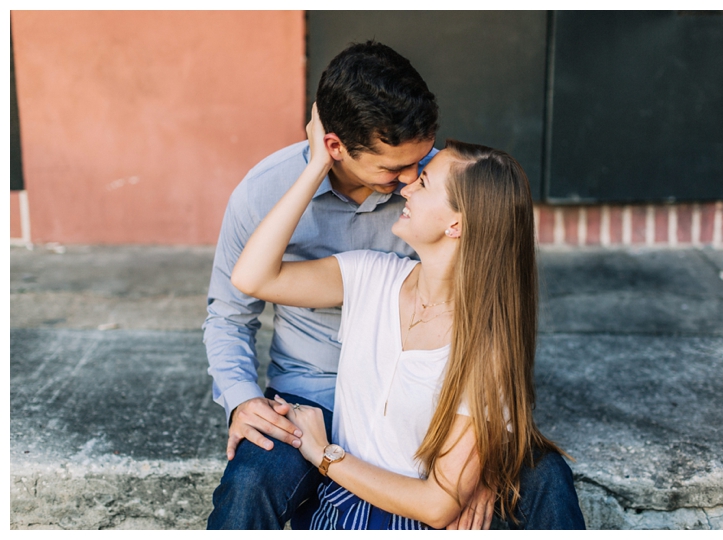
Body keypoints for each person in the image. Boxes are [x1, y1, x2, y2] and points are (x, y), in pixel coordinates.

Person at [205, 40, 584, 529]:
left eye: (422, 163)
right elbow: (230, 310)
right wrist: (242, 399)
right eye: (395, 169)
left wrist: (480, 456)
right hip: (311, 393)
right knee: (250, 481)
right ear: (336, 145)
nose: (411, 179)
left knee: (546, 476)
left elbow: (496, 302)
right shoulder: (267, 195)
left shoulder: (439, 193)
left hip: (429, 400)